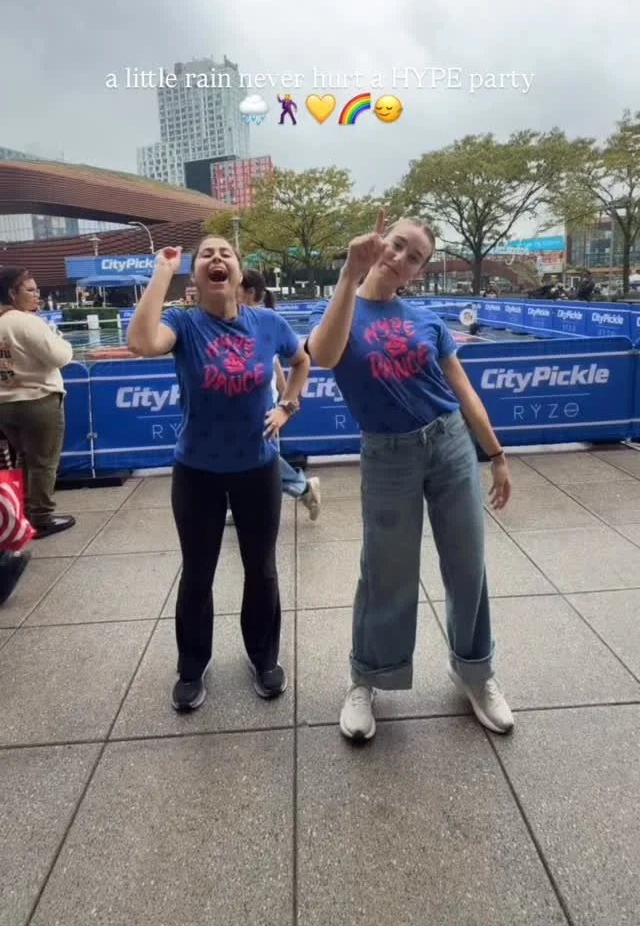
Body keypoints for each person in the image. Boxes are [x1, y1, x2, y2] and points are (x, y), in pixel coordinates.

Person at [306, 211, 514, 743]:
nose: (400, 258)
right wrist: (348, 274)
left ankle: (475, 671)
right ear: (380, 241)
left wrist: (495, 452)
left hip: (448, 445)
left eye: (413, 256)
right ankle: (367, 677)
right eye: (396, 245)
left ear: (418, 271)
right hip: (387, 455)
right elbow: (324, 355)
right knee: (385, 570)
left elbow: (462, 389)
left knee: (468, 564)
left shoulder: (426, 320)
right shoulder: (344, 307)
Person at [127, 238, 310, 712]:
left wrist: (287, 406)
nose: (216, 259)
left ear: (238, 269)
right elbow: (141, 343)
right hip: (197, 471)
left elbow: (302, 360)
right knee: (197, 572)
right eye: (205, 254)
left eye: (224, 253)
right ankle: (192, 665)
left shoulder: (267, 323)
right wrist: (162, 272)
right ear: (195, 276)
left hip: (257, 468)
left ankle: (263, 657)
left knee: (261, 567)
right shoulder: (183, 324)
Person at [237, 270, 321, 520]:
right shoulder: (235, 319)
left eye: (237, 287)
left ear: (250, 293)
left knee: (262, 454)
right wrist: (285, 392)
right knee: (247, 452)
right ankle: (242, 504)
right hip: (253, 397)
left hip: (262, 399)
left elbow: (296, 360)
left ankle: (302, 486)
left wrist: (286, 401)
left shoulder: (266, 320)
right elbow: (274, 362)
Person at [0, 268, 75, 538]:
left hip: (6, 403)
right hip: (38, 400)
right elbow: (60, 356)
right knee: (44, 461)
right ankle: (41, 517)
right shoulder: (26, 322)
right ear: (12, 293)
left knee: (24, 458)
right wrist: (61, 340)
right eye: (30, 290)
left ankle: (25, 512)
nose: (37, 295)